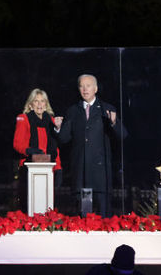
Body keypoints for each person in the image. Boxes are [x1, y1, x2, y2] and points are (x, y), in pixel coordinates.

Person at [57, 74, 126, 217]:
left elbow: (122, 135)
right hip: (80, 173)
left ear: (95, 89)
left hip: (100, 175)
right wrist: (58, 128)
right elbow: (64, 139)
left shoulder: (106, 109)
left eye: (88, 86)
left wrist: (113, 123)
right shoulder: (72, 111)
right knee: (81, 218)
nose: (84, 89)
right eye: (81, 86)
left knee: (103, 217)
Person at [13, 89, 63, 208]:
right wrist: (30, 151)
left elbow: (55, 148)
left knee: (48, 205)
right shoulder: (23, 119)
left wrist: (58, 168)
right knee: (29, 204)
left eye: (42, 101)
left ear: (46, 105)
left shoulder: (51, 121)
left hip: (49, 169)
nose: (40, 104)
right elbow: (17, 144)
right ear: (30, 104)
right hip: (29, 167)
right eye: (36, 101)